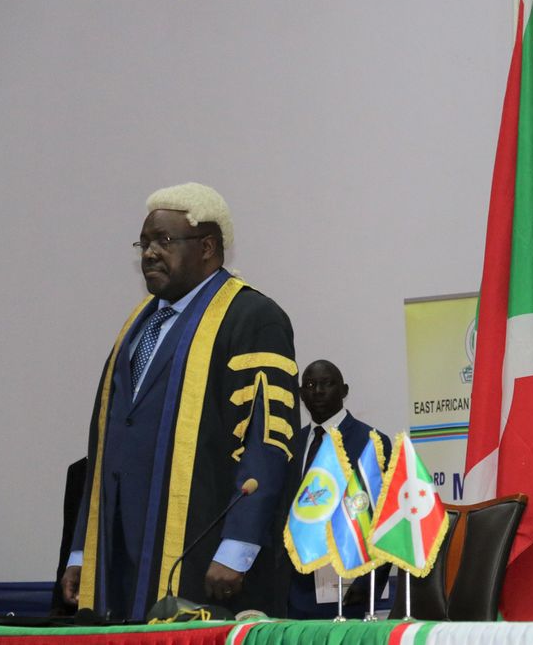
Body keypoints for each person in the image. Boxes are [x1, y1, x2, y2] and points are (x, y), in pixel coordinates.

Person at [61, 183, 300, 620]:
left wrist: (238, 548)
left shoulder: (252, 317)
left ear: (208, 247)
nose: (149, 253)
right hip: (119, 555)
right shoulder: (138, 325)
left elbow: (268, 442)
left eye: (164, 241)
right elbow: (106, 448)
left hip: (201, 549)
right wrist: (82, 550)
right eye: (145, 242)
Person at [285, 359, 393, 619]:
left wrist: (368, 582)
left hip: (350, 588)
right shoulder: (292, 445)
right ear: (301, 395)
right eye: (310, 385)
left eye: (327, 384)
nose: (318, 391)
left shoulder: (372, 442)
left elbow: (385, 516)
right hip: (296, 591)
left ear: (344, 391)